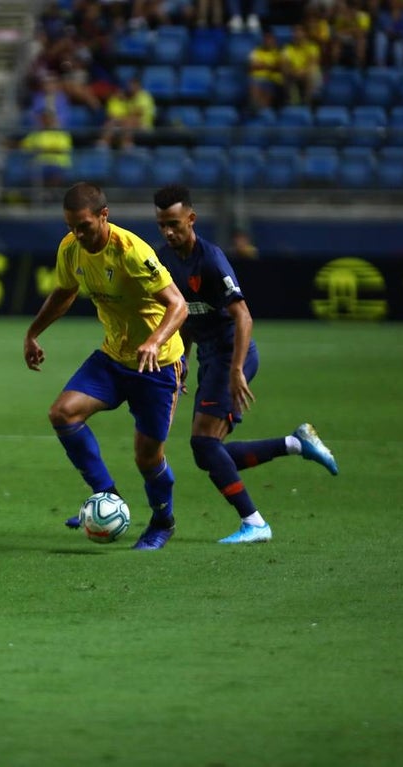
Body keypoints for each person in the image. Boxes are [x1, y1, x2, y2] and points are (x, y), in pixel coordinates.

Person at [150, 186, 338, 544]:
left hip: (231, 354)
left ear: (191, 218)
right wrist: (182, 358)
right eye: (162, 225)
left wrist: (236, 370)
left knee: (204, 445)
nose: (168, 232)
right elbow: (184, 315)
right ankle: (295, 443)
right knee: (209, 454)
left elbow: (244, 316)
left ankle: (255, 522)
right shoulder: (166, 259)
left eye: (174, 223)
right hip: (209, 356)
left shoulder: (211, 259)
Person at [25, 182, 188, 550]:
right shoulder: (71, 248)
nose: (77, 234)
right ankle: (107, 499)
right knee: (63, 413)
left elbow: (177, 305)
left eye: (83, 225)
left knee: (148, 457)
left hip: (156, 364)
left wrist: (154, 341)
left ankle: (163, 522)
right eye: (70, 226)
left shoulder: (132, 252)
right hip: (114, 356)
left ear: (104, 216)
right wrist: (33, 332)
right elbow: (65, 292)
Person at [20, 108, 73, 187]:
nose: (46, 121)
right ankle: (42, 195)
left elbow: (62, 149)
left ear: (53, 119)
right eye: (44, 118)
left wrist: (42, 149)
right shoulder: (35, 134)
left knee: (55, 172)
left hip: (58, 164)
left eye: (48, 118)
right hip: (39, 165)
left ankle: (52, 194)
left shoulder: (62, 134)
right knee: (34, 172)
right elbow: (24, 147)